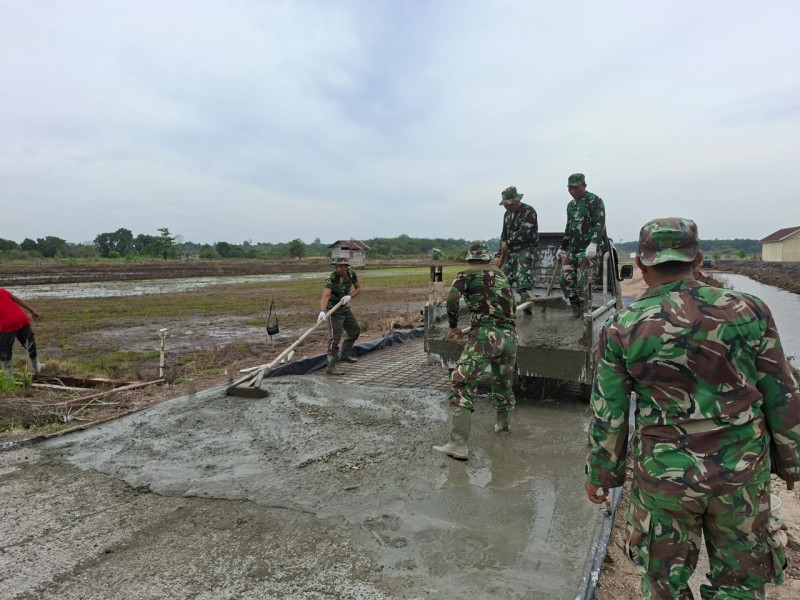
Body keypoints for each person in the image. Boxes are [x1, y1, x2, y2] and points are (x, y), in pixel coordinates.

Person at [585, 217, 800, 599]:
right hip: (742, 472)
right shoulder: (750, 310)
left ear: (642, 265)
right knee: (740, 583)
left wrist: (603, 475)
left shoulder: (623, 327)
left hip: (665, 477)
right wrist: (791, 462)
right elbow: (781, 390)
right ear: (698, 259)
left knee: (664, 584)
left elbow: (610, 414)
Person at [433, 240, 518, 460]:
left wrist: (453, 327)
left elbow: (452, 299)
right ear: (487, 258)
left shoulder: (466, 274)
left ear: (470, 259)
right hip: (509, 337)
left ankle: (457, 445)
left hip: (485, 336)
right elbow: (512, 306)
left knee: (461, 381)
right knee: (503, 383)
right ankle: (503, 427)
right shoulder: (501, 276)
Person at [556, 173, 606, 317]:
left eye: (576, 188)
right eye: (570, 188)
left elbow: (600, 224)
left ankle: (586, 315)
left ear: (584, 186)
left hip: (589, 248)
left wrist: (594, 244)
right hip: (574, 247)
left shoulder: (595, 201)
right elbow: (569, 227)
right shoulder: (570, 205)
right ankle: (576, 310)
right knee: (565, 280)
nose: (572, 191)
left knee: (583, 281)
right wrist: (562, 247)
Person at [318, 256, 362, 375]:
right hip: (334, 311)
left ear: (346, 267)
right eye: (336, 266)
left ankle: (344, 355)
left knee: (355, 331)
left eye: (340, 267)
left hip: (345, 308)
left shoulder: (352, 274)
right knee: (334, 339)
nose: (338, 269)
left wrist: (350, 297)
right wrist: (323, 311)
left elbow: (358, 289)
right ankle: (331, 366)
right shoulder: (331, 278)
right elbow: (326, 295)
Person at [496, 186, 539, 309]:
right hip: (510, 252)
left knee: (523, 281)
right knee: (502, 280)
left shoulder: (528, 211)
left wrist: (508, 243)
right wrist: (499, 255)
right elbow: (504, 235)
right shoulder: (507, 214)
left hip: (525, 250)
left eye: (509, 204)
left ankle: (527, 310)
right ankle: (504, 309)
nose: (507, 207)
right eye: (505, 205)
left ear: (516, 200)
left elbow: (525, 233)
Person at [0, 288, 43, 380]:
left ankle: (8, 378)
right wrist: (32, 311)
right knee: (30, 345)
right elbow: (17, 300)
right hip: (22, 318)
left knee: (4, 352)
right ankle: (37, 368)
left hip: (7, 324)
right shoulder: (1, 290)